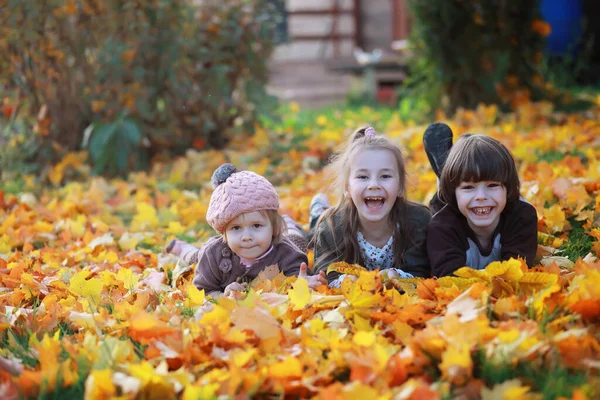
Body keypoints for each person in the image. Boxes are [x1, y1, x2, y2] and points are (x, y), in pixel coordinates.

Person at [165, 163, 326, 298]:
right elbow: (203, 291)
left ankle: (295, 220)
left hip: (284, 237)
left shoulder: (286, 252)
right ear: (224, 232)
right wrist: (222, 296)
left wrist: (302, 283)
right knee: (197, 256)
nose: (246, 237)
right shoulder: (213, 254)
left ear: (273, 227)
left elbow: (299, 278)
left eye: (256, 225)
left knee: (295, 239)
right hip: (212, 253)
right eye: (236, 228)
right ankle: (184, 249)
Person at [311, 126, 432, 287]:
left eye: (385, 176)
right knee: (314, 226)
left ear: (400, 186)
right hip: (327, 222)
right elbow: (324, 274)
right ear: (347, 187)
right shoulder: (331, 227)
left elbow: (424, 271)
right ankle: (316, 211)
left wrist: (398, 276)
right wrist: (344, 281)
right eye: (363, 176)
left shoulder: (418, 221)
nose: (374, 185)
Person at [423, 124, 538, 277]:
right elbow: (449, 279)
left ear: (508, 187)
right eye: (469, 187)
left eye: (492, 185)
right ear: (455, 192)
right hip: (451, 207)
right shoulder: (441, 227)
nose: (481, 196)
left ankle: (454, 175)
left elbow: (516, 271)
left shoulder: (522, 216)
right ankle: (445, 178)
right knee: (443, 203)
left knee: (465, 186)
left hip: (500, 205)